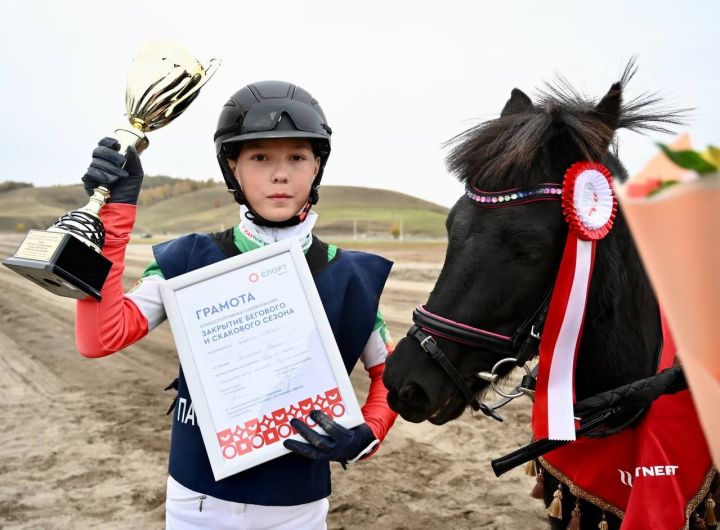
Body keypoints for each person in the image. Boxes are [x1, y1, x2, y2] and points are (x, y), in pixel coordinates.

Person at [75, 80, 398, 529]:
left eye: (297, 157)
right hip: (197, 503)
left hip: (296, 508)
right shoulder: (187, 260)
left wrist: (368, 432)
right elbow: (99, 337)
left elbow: (390, 377)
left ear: (317, 165)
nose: (280, 174)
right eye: (260, 157)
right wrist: (113, 212)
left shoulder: (350, 277)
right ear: (233, 167)